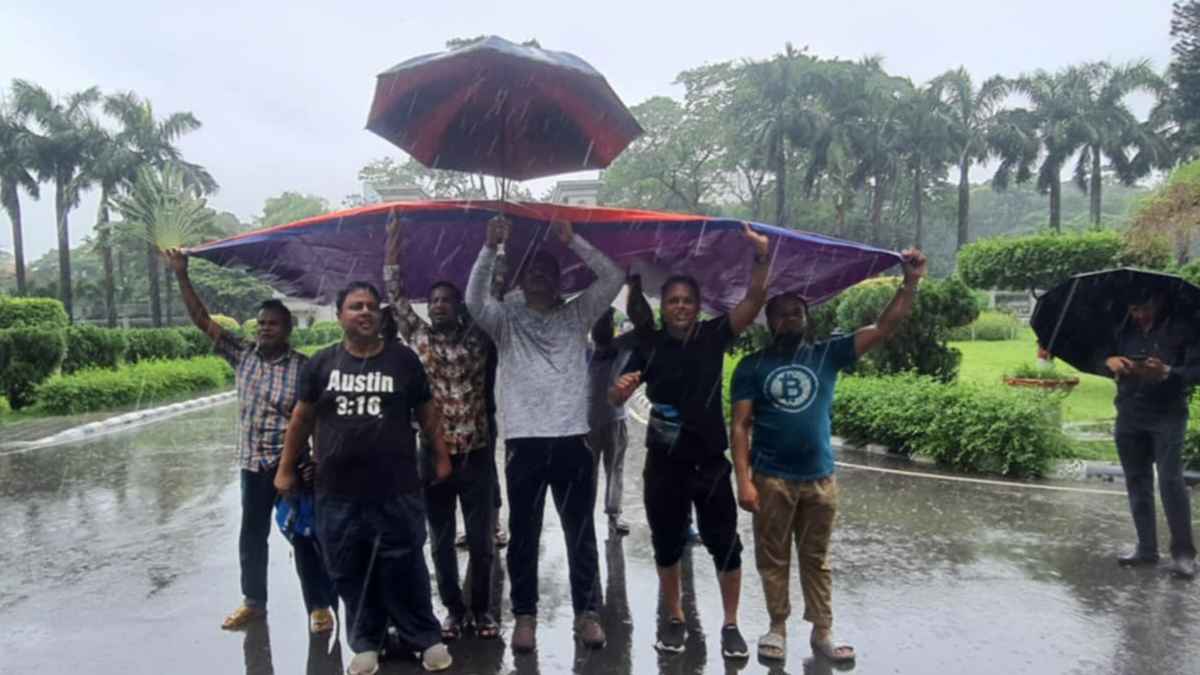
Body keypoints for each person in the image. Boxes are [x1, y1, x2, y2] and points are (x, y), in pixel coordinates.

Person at [730, 249, 926, 664]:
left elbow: (885, 326)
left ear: (807, 318)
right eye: (780, 314)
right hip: (771, 478)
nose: (789, 319)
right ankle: (777, 627)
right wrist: (743, 480)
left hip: (820, 478)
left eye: (796, 312)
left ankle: (822, 630)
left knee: (817, 559)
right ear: (769, 322)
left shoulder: (828, 355)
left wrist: (910, 281)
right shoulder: (751, 366)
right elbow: (740, 426)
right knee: (773, 556)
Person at [609, 222, 770, 659]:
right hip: (663, 463)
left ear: (699, 307)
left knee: (725, 545)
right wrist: (620, 390)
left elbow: (754, 301)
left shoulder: (714, 336)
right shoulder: (650, 344)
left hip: (710, 464)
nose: (680, 307)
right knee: (667, 543)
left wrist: (760, 256)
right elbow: (616, 390)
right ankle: (675, 617)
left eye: (687, 301)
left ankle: (731, 624)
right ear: (665, 307)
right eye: (674, 301)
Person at [274, 281, 453, 674]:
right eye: (355, 306)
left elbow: (427, 414)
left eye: (371, 305)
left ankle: (424, 637)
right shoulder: (321, 365)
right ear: (340, 316)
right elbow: (302, 419)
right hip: (338, 493)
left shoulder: (403, 361)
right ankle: (366, 641)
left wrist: (441, 456)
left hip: (397, 489)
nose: (365, 312)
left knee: (405, 563)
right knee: (350, 568)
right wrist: (286, 469)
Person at [465, 215, 623, 653]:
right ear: (523, 277)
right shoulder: (504, 321)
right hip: (524, 444)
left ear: (558, 281)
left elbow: (613, 277)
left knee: (580, 532)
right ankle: (526, 616)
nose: (538, 275)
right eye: (532, 269)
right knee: (524, 533)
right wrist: (488, 248)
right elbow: (474, 300)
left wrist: (574, 242)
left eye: (548, 270)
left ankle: (587, 613)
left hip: (573, 439)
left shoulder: (577, 314)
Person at [164, 248, 335, 634]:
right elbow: (201, 319)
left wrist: (315, 461)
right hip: (252, 464)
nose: (264, 329)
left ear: (288, 329)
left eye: (273, 324)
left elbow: (319, 418)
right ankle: (253, 603)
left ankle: (319, 607)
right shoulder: (242, 355)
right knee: (251, 536)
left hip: (289, 465)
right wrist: (181, 275)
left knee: (304, 536)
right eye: (260, 323)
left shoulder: (304, 367)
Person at [383, 217, 500, 640]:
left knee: (483, 541)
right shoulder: (417, 337)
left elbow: (494, 291)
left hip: (477, 453)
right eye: (433, 300)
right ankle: (453, 610)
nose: (438, 305)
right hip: (433, 456)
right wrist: (393, 239)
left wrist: (497, 245)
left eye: (447, 299)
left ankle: (483, 610)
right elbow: (394, 294)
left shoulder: (481, 335)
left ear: (459, 305)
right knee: (440, 540)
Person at [1104, 289, 1199, 579]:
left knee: (1171, 481)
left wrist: (1169, 372)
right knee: (1136, 480)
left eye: (1144, 308)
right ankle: (1146, 549)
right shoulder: (1122, 326)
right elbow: (1100, 354)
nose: (1139, 315)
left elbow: (1197, 370)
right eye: (1133, 309)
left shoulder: (1184, 326)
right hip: (1129, 413)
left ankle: (1184, 555)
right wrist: (1110, 362)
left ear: (1158, 301)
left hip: (1167, 414)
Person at [588, 275, 654, 536]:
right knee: (589, 472)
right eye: (599, 321)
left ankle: (614, 515)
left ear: (613, 326)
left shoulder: (621, 347)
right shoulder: (582, 350)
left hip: (616, 420)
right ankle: (585, 514)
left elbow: (646, 325)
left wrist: (633, 288)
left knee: (615, 469)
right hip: (588, 423)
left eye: (607, 320)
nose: (602, 325)